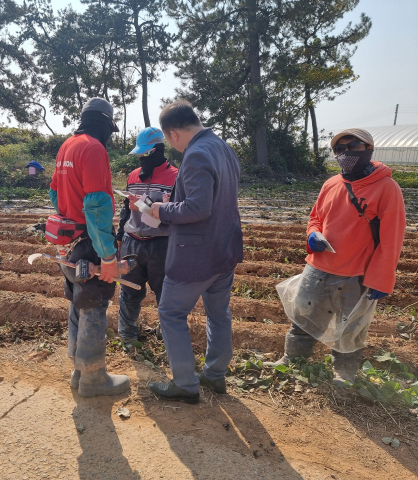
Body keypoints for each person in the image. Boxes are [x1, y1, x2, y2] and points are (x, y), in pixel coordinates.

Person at [265, 129, 406, 386]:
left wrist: (381, 279)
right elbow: (315, 217)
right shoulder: (331, 183)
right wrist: (312, 234)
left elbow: (391, 239)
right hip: (318, 268)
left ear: (369, 149)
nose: (345, 153)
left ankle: (344, 372)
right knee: (303, 319)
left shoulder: (387, 188)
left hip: (356, 274)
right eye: (339, 149)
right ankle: (292, 360)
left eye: (353, 146)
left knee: (351, 327)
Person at [146, 100, 244, 404]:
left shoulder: (196, 154)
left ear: (173, 133)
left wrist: (161, 209)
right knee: (218, 313)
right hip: (224, 249)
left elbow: (197, 207)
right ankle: (214, 375)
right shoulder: (223, 148)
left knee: (170, 312)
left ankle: (185, 383)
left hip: (196, 254)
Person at [49, 97, 130, 398]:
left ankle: (78, 372)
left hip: (68, 241)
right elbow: (96, 206)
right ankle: (94, 377)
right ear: (106, 124)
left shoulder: (66, 146)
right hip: (90, 242)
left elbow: (55, 194)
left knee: (76, 301)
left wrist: (71, 215)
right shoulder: (94, 149)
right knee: (95, 304)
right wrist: (108, 255)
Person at [115, 127, 179, 345]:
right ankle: (127, 336)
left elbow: (178, 213)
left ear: (157, 150)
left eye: (146, 154)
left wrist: (146, 206)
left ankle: (168, 338)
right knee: (129, 290)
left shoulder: (175, 177)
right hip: (133, 243)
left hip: (161, 244)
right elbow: (126, 209)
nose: (142, 159)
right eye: (139, 155)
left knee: (165, 294)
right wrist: (120, 235)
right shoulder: (134, 175)